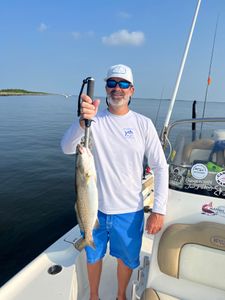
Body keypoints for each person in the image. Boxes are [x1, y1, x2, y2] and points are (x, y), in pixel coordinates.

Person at [61, 64, 168, 300]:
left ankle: (121, 296)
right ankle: (94, 296)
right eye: (111, 83)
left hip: (130, 211)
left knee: (127, 259)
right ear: (106, 87)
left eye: (123, 84)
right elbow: (67, 147)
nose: (117, 89)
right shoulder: (92, 120)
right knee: (93, 256)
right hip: (94, 209)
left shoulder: (143, 124)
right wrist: (82, 121)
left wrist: (158, 209)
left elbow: (160, 166)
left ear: (132, 90)